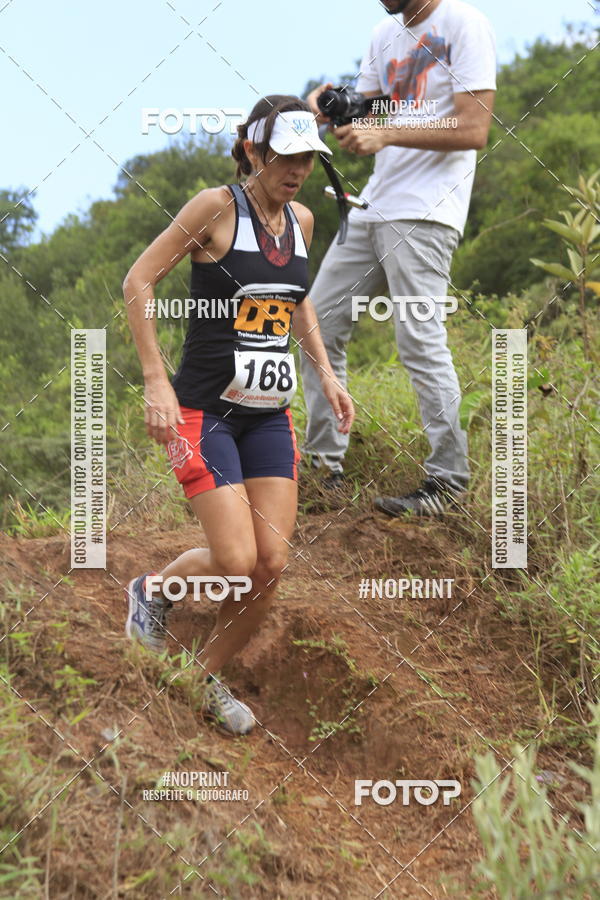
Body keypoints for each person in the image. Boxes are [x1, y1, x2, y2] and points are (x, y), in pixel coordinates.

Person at [122, 95, 354, 735]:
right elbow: (138, 281)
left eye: (308, 157)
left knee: (271, 564)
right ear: (254, 150)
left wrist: (327, 377)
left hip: (267, 414)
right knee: (234, 559)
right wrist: (155, 381)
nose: (297, 169)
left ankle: (200, 677)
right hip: (202, 413)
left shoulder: (303, 220)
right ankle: (153, 592)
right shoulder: (216, 209)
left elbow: (297, 300)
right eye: (285, 155)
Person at [301, 0, 496, 516]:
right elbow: (369, 105)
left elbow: (474, 128)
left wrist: (384, 133)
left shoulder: (464, 23)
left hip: (427, 210)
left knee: (417, 337)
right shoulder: (382, 34)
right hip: (373, 203)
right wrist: (327, 107)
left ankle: (448, 483)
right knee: (316, 323)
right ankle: (325, 471)